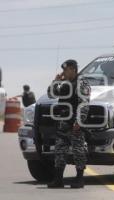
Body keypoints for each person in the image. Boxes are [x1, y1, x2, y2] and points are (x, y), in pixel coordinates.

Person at [47, 59, 90, 189]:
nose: (63, 72)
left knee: (78, 151)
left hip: (75, 123)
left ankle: (79, 179)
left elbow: (84, 103)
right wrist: (56, 82)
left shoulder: (81, 82)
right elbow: (51, 95)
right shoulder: (65, 83)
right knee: (60, 151)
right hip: (63, 123)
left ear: (72, 69)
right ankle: (58, 179)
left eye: (65, 70)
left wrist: (79, 121)